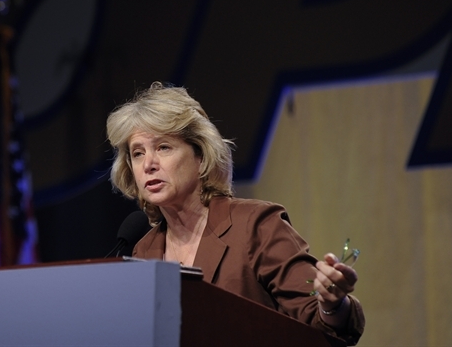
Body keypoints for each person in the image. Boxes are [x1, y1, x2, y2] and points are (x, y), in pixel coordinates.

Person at [106, 82, 365, 345]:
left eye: (163, 147)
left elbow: (320, 323)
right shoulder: (144, 250)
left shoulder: (255, 225)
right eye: (138, 153)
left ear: (200, 155)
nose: (148, 164)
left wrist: (332, 304)